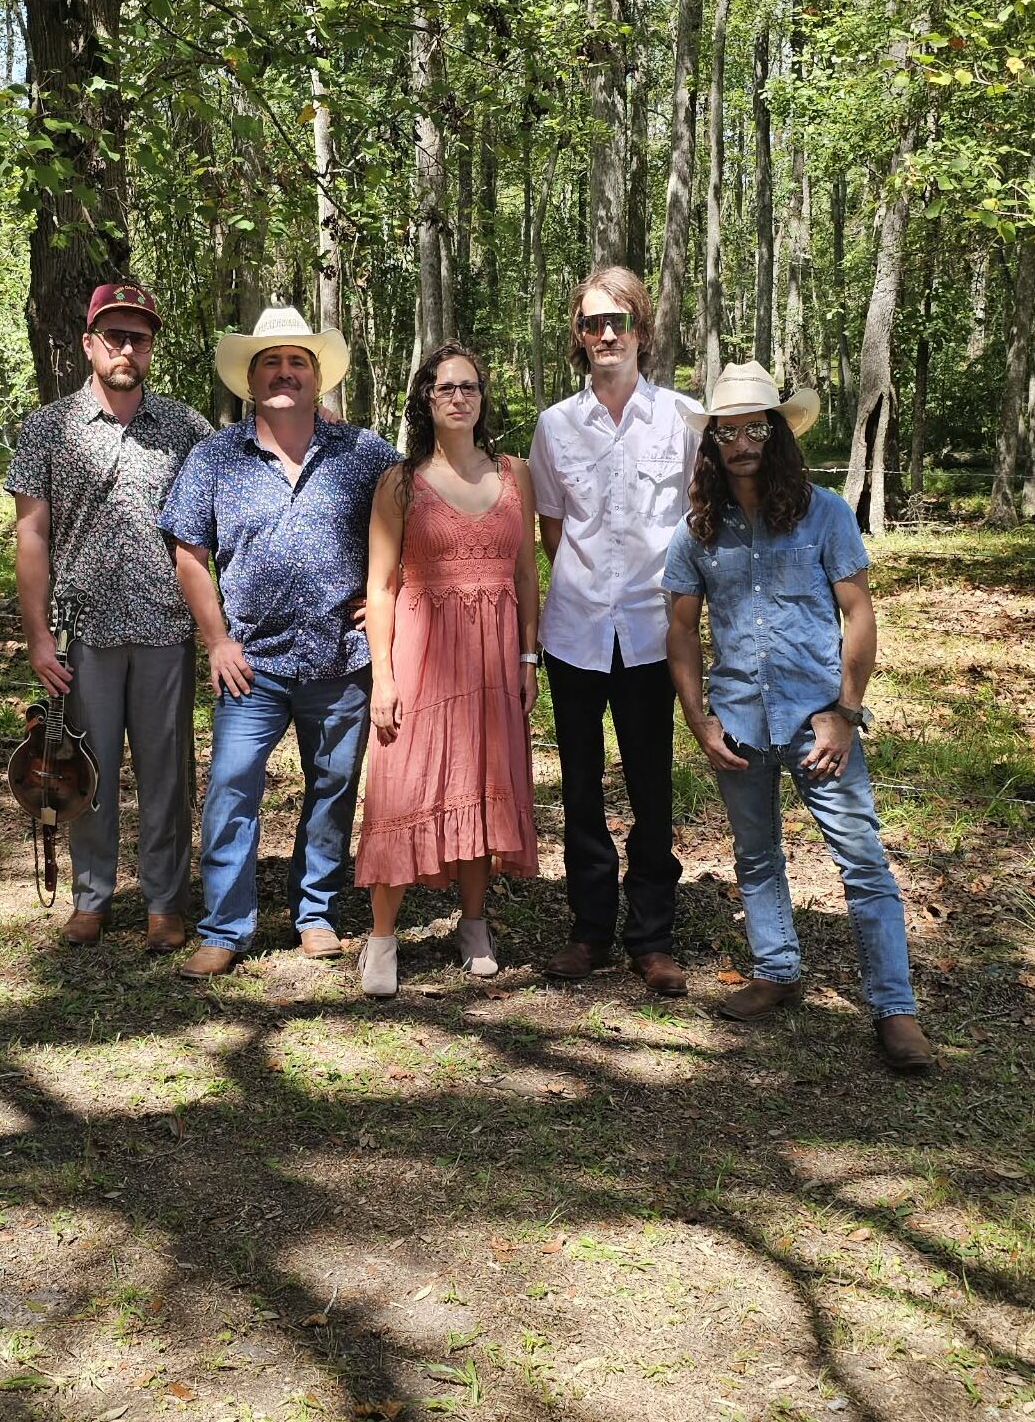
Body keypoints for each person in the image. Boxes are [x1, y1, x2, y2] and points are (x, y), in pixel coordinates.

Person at [663, 361, 933, 1073]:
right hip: (739, 723)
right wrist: (698, 719)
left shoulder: (826, 515)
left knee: (863, 862)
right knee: (756, 855)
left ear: (778, 433)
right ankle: (778, 969)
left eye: (756, 429)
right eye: (728, 432)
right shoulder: (697, 530)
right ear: (712, 443)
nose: (742, 444)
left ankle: (894, 1008)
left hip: (819, 724)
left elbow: (859, 614)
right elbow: (682, 631)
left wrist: (845, 712)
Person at [160, 305, 398, 977]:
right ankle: (224, 927)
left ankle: (315, 913)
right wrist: (216, 640)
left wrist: (388, 592)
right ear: (251, 378)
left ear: (317, 377)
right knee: (231, 788)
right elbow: (188, 551)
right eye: (271, 362)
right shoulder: (215, 457)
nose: (285, 372)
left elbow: (419, 519)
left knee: (333, 787)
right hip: (251, 664)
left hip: (341, 660)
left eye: (297, 361)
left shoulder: (365, 453)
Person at [6, 281, 212, 950]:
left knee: (166, 772)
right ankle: (91, 896)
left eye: (139, 338)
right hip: (82, 633)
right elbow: (32, 534)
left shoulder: (186, 428)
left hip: (164, 626)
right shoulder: (49, 427)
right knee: (80, 767)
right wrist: (38, 635)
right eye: (114, 336)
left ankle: (164, 903)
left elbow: (225, 508)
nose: (126, 348)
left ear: (151, 348)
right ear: (89, 343)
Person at [528, 266, 699, 995]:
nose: (605, 334)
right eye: (592, 323)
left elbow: (698, 520)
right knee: (580, 787)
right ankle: (590, 931)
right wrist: (589, 581)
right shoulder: (554, 426)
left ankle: (652, 937)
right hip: (576, 631)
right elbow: (553, 529)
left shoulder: (683, 419)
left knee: (652, 787)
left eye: (617, 321)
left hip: (654, 633)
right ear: (578, 334)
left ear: (641, 330)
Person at [354, 344, 539, 998]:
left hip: (495, 660)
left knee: (482, 781)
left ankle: (474, 925)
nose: (458, 397)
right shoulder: (400, 483)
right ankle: (382, 938)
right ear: (426, 400)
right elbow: (381, 588)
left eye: (469, 387)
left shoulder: (516, 474)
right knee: (403, 785)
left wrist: (528, 656)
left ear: (482, 397)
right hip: (422, 657)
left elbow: (525, 574)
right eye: (444, 388)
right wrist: (383, 676)